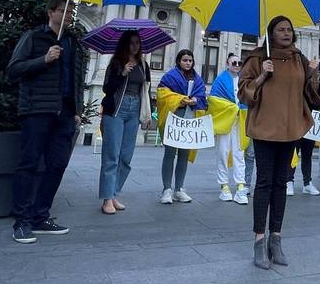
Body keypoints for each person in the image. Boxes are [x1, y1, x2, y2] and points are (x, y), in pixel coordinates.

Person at [238, 16, 320, 269]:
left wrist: (312, 75)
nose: (286, 33)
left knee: (282, 182)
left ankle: (276, 238)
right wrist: (263, 75)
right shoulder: (256, 58)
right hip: (265, 128)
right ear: (271, 34)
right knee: (264, 183)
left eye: (289, 29)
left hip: (290, 128)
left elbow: (309, 93)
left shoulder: (299, 57)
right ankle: (259, 240)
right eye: (280, 30)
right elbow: (244, 94)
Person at [6, 0, 84, 243]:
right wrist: (44, 60)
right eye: (65, 10)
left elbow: (76, 78)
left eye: (72, 11)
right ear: (51, 12)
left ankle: (41, 216)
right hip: (37, 110)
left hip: (65, 112)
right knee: (29, 164)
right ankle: (21, 221)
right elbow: (13, 70)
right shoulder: (34, 37)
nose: (70, 14)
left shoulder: (72, 42)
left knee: (58, 164)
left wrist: (77, 108)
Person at [98, 30, 151, 215]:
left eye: (137, 42)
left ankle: (114, 193)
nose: (135, 46)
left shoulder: (144, 65)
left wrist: (146, 115)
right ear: (125, 44)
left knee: (126, 156)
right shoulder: (116, 63)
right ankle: (106, 198)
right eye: (131, 43)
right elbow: (107, 88)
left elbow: (146, 90)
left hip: (135, 109)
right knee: (111, 155)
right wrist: (122, 73)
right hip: (116, 110)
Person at [156, 49, 206, 203]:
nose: (188, 63)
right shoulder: (169, 76)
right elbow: (161, 93)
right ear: (178, 61)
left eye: (190, 60)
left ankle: (179, 189)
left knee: (184, 155)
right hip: (174, 117)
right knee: (170, 153)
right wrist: (180, 99)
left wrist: (196, 100)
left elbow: (203, 97)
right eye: (185, 60)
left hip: (189, 118)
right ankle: (166, 190)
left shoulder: (198, 79)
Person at [209, 54, 249, 204]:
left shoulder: (244, 80)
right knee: (223, 152)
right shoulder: (220, 80)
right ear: (227, 63)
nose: (237, 65)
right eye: (234, 62)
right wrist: (232, 108)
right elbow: (214, 100)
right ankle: (224, 186)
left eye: (240, 62)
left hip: (240, 121)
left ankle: (240, 186)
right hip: (225, 121)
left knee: (239, 153)